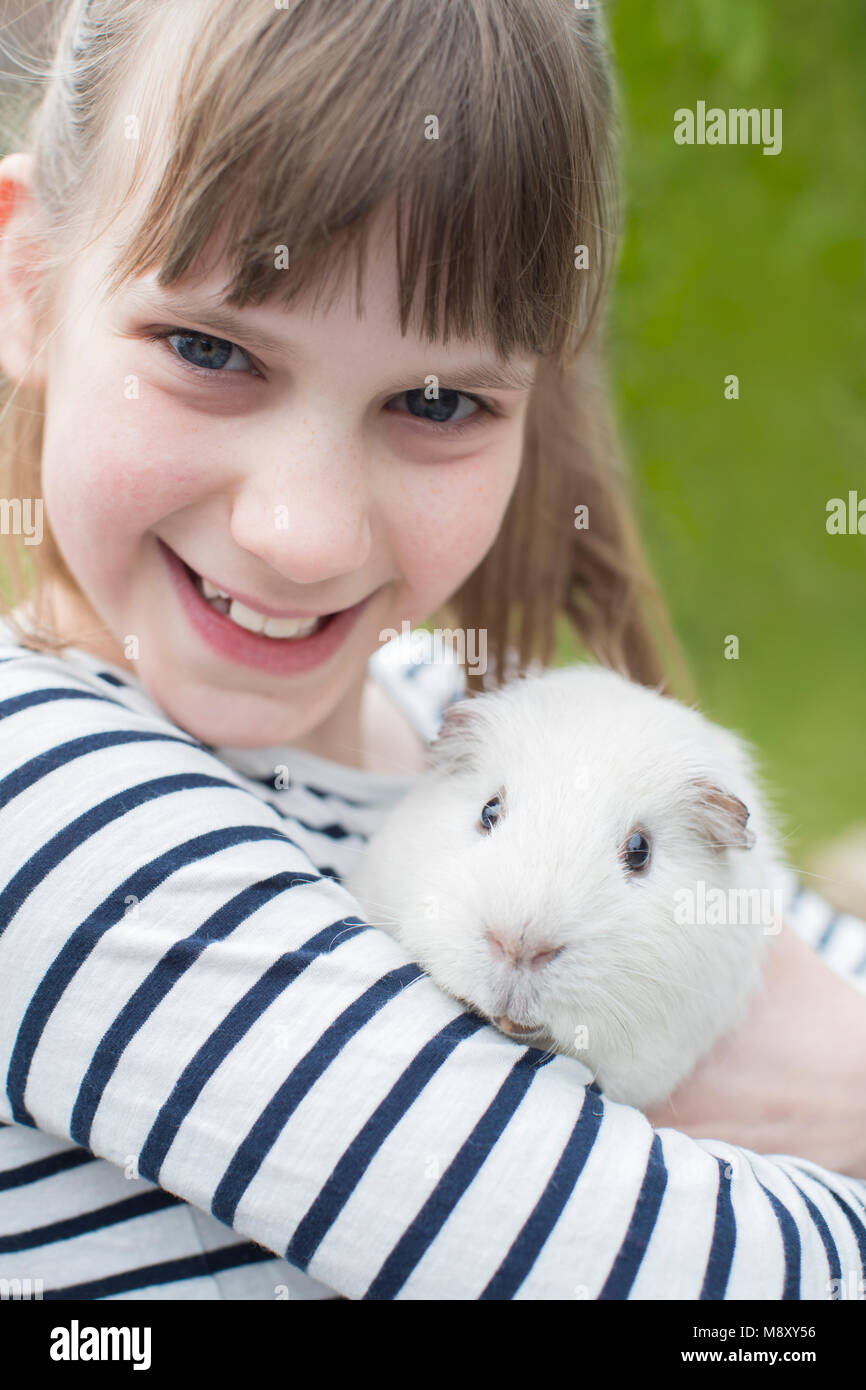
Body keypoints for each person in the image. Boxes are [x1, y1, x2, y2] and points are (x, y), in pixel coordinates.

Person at [0, 0, 863, 1301]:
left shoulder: (443, 705)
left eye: (437, 401)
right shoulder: (44, 808)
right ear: (27, 283)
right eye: (208, 349)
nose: (301, 534)